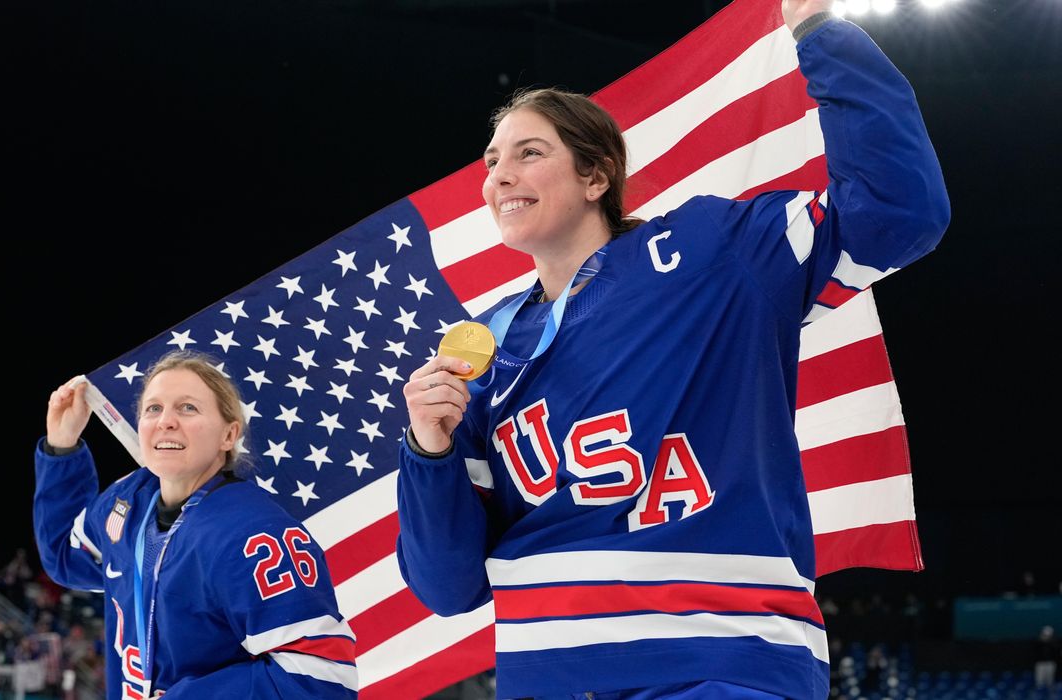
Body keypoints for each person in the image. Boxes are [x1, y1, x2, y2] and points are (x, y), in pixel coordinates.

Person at [395, 1, 949, 698]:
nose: (499, 175)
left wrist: (819, 33)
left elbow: (899, 210)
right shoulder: (483, 354)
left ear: (596, 177)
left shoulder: (711, 252)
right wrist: (428, 452)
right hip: (551, 680)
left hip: (719, 666)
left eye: (529, 153)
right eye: (492, 160)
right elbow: (448, 588)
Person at [34, 350, 357, 699]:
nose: (165, 421)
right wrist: (62, 446)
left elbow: (320, 679)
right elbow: (64, 557)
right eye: (153, 409)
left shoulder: (255, 532)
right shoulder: (126, 501)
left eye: (187, 408)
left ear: (229, 434)